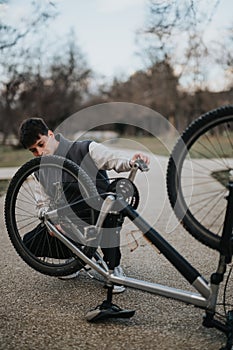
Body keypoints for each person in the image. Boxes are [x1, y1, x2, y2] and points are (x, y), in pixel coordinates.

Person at [19, 117, 150, 293]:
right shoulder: (39, 171)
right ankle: (76, 261)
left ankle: (113, 267)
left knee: (109, 208)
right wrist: (51, 221)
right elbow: (43, 203)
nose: (39, 153)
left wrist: (130, 161)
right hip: (68, 223)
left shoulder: (84, 148)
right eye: (33, 150)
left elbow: (112, 159)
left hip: (99, 214)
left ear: (50, 135)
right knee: (28, 243)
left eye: (41, 145)